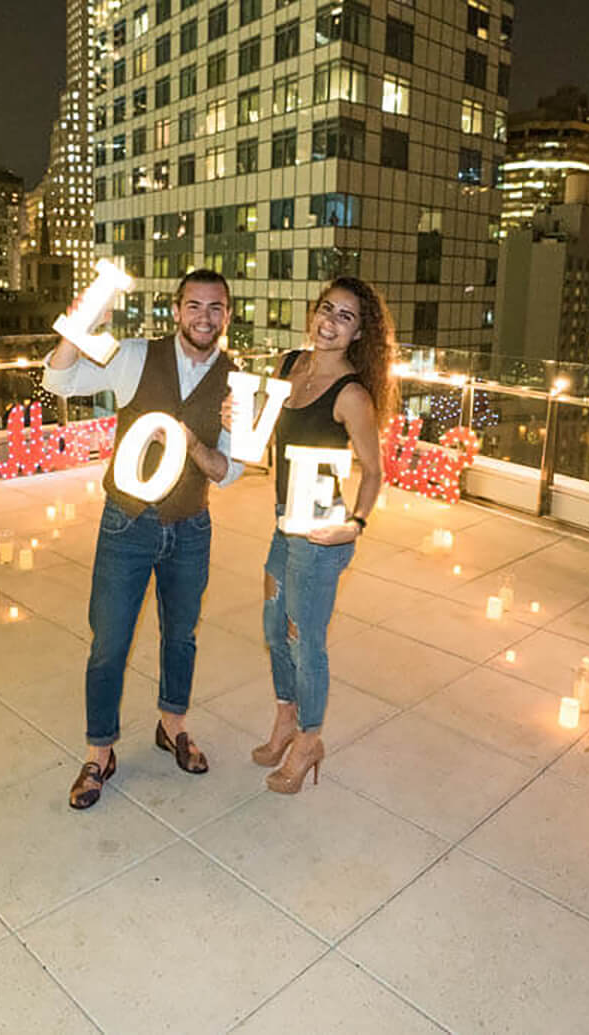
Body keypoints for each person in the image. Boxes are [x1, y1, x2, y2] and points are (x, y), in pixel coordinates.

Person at [44, 269, 240, 810]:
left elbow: (228, 470)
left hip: (190, 526)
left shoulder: (235, 381)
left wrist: (192, 442)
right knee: (109, 642)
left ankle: (171, 723)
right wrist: (76, 328)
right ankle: (99, 750)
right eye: (194, 306)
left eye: (216, 308)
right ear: (177, 310)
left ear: (228, 314)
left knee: (181, 636)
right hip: (126, 523)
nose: (205, 317)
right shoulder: (135, 356)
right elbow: (58, 380)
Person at [254, 277, 394, 794]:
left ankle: (310, 739)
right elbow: (266, 429)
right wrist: (238, 418)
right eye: (326, 309)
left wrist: (353, 525)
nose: (329, 323)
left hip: (320, 536)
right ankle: (286, 719)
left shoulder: (353, 394)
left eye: (345, 317)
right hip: (282, 520)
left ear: (359, 333)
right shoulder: (290, 365)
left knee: (305, 640)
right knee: (273, 627)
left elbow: (374, 471)